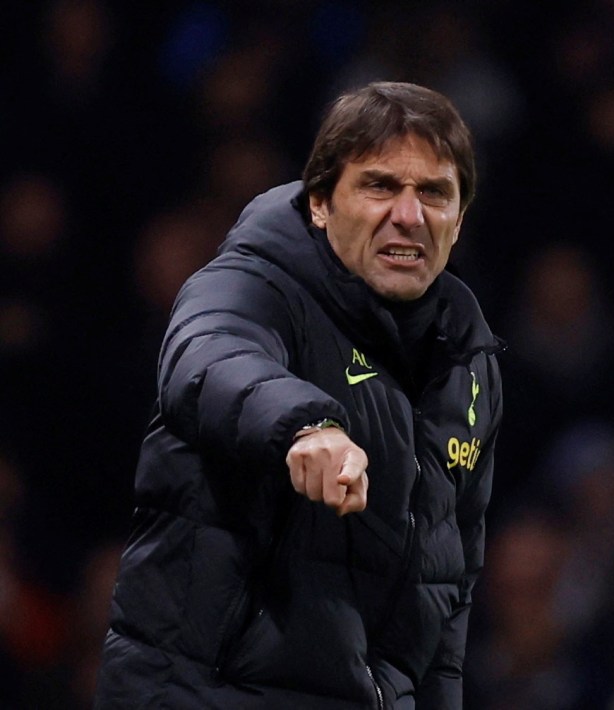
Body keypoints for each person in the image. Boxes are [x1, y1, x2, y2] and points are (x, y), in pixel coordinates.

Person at [94, 81, 504, 709]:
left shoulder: (469, 366)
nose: (409, 215)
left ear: (460, 216)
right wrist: (307, 427)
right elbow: (209, 360)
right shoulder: (253, 285)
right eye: (380, 186)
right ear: (319, 202)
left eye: (434, 193)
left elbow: (449, 593)